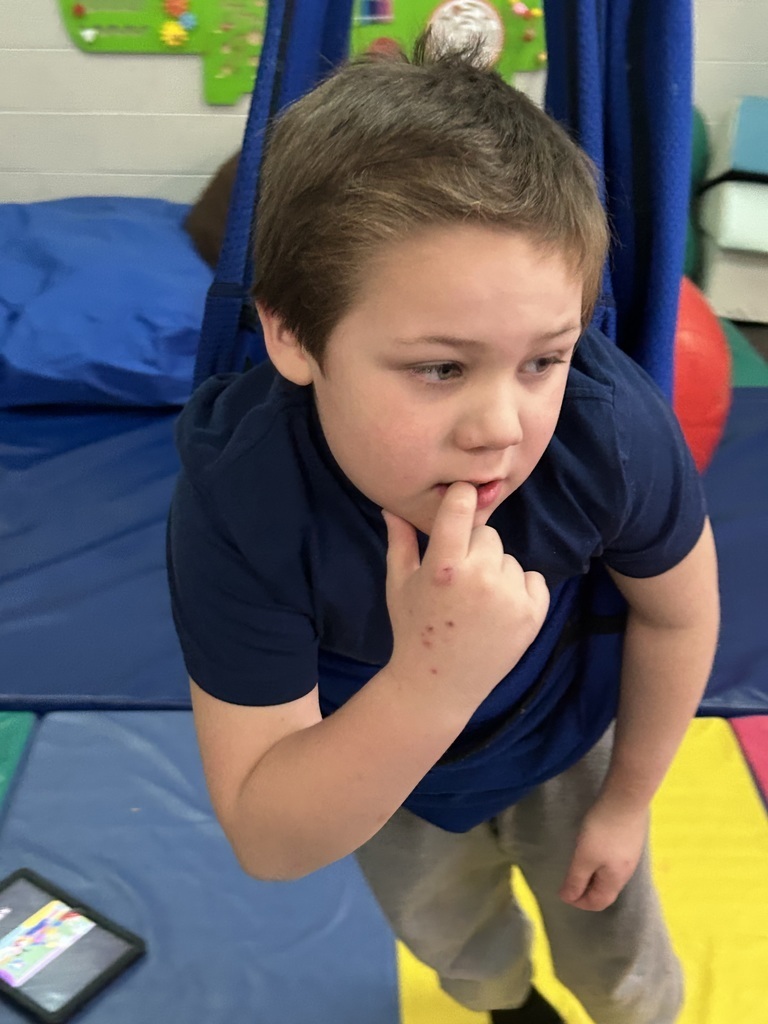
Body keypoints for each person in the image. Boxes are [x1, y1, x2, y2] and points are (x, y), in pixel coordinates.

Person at [166, 33, 720, 1024]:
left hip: (565, 746)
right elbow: (269, 833)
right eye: (440, 368)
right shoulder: (242, 498)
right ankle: (510, 1008)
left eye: (542, 359)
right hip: (379, 762)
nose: (502, 429)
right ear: (292, 334)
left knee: (620, 954)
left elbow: (680, 615)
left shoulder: (608, 432)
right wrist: (435, 674)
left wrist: (629, 802)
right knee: (455, 937)